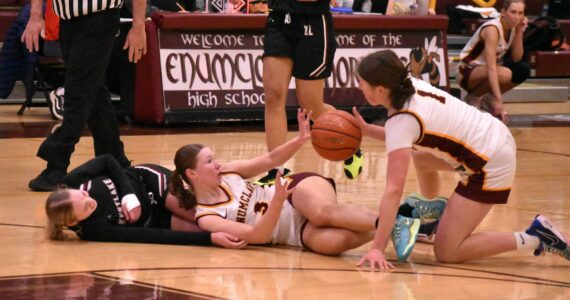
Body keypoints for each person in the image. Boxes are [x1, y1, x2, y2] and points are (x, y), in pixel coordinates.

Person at [352, 50, 569, 270]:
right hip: (492, 135)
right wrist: (370, 131)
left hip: (490, 163)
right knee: (421, 159)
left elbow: (393, 190)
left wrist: (377, 247)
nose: (359, 86)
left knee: (448, 252)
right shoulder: (406, 84)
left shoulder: (401, 122)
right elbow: (408, 137)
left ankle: (537, 237)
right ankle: (430, 219)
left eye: (362, 82)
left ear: (379, 89)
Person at [167, 109, 443, 258]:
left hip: (293, 193)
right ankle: (404, 217)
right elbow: (260, 237)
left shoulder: (228, 173)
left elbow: (271, 158)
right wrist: (275, 201)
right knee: (332, 243)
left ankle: (395, 221)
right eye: (208, 161)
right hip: (291, 232)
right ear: (192, 174)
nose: (216, 163)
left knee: (321, 213)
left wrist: (299, 139)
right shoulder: (208, 218)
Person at [22, 0, 148, 191]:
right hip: (67, 21)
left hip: (100, 18)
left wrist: (138, 26)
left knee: (77, 92)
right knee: (93, 89)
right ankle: (115, 159)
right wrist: (36, 16)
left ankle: (57, 163)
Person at [45, 154, 247, 249]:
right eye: (86, 208)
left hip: (147, 182)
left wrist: (128, 194)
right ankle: (255, 230)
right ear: (73, 222)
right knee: (201, 230)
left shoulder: (74, 181)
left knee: (196, 214)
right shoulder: (95, 230)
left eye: (83, 196)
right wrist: (209, 240)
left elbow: (108, 160)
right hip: (153, 218)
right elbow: (146, 235)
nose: (90, 200)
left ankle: (245, 203)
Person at [261, 0, 363, 183]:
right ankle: (276, 171)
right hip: (279, 16)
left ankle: (352, 141)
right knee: (273, 97)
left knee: (310, 105)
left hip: (314, 19)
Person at [456, 0, 530, 123]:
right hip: (466, 72)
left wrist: (519, 32)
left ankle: (487, 98)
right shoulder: (493, 29)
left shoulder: (512, 29)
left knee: (522, 69)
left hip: (486, 71)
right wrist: (499, 100)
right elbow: (491, 67)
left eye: (520, 13)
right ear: (503, 12)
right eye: (513, 12)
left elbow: (517, 58)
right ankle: (473, 97)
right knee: (504, 74)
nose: (517, 17)